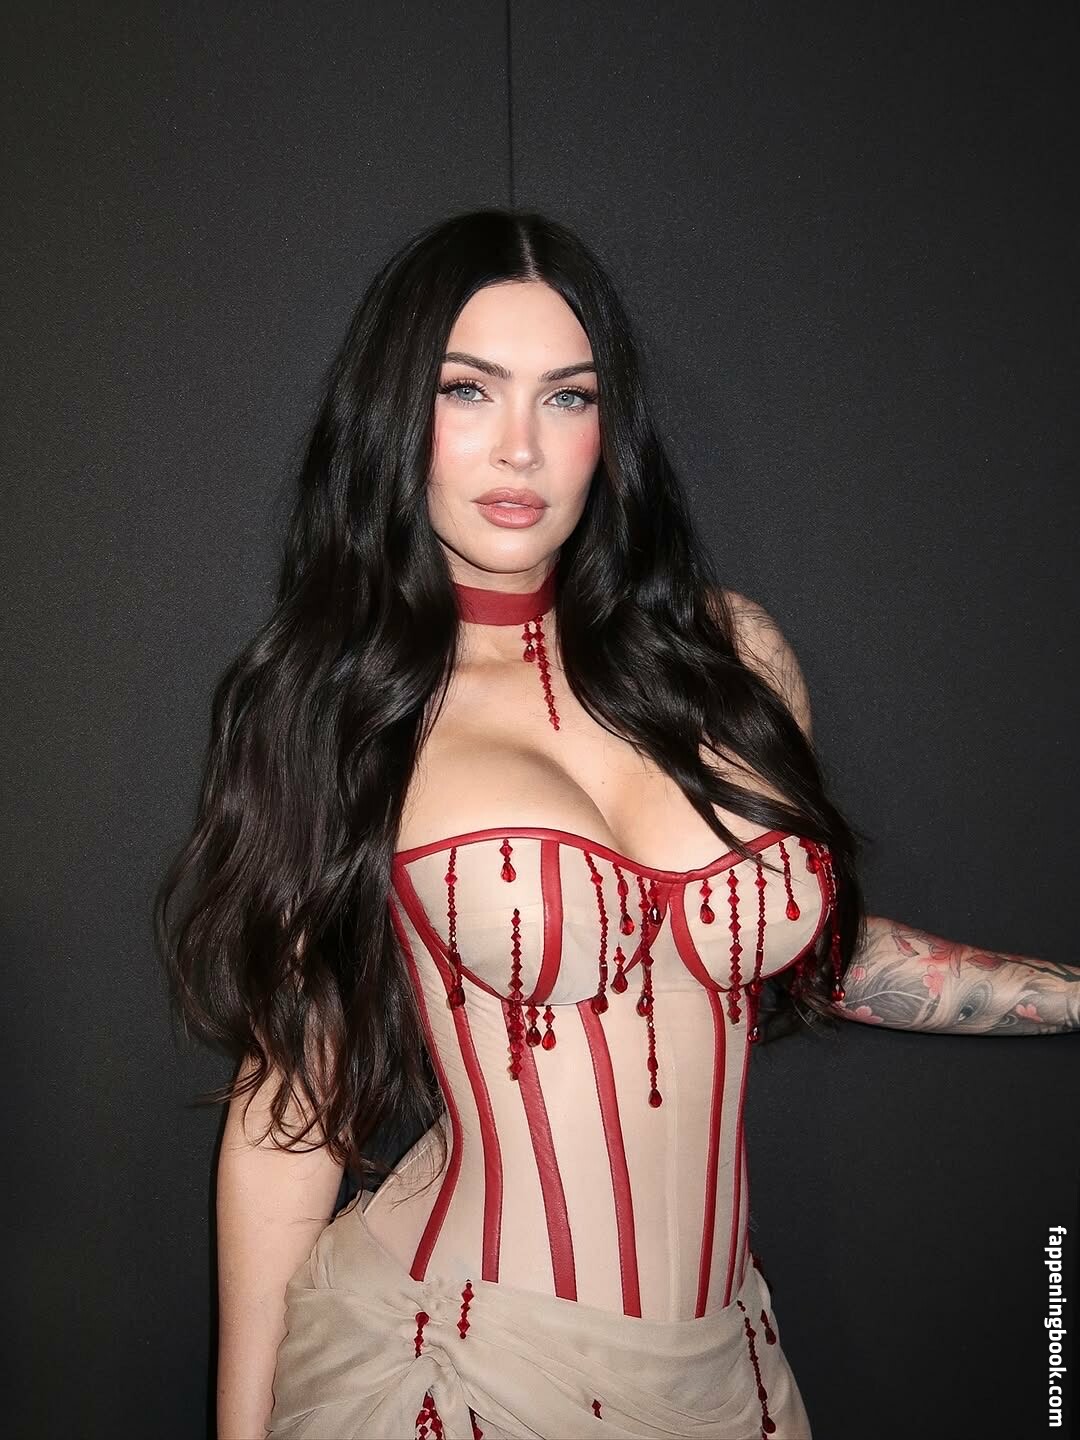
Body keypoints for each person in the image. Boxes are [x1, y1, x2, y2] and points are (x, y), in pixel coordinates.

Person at [156, 208, 1078, 1440]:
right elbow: (291, 1110)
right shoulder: (344, 709)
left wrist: (1066, 994)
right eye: (468, 390)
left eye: (568, 397)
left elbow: (806, 953)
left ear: (610, 428)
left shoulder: (728, 653)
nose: (521, 448)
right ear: (394, 416)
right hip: (463, 1373)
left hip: (727, 1370)